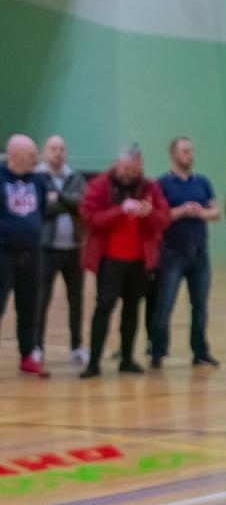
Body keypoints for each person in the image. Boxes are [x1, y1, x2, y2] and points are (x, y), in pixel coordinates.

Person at [79, 145, 170, 379]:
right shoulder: (100, 185)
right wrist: (120, 211)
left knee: (132, 310)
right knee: (104, 308)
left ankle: (127, 358)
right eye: (127, 168)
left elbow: (164, 219)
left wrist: (149, 212)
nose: (130, 173)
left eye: (135, 169)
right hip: (109, 260)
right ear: (118, 165)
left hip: (139, 260)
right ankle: (94, 361)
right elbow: (90, 218)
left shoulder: (150, 187)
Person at [150, 136, 221, 368]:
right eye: (185, 152)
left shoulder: (202, 182)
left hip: (199, 253)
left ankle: (200, 351)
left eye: (191, 151)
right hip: (172, 253)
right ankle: (157, 350)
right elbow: (158, 217)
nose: (190, 155)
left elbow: (215, 212)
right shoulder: (161, 184)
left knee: (200, 305)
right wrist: (181, 211)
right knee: (165, 304)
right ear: (173, 155)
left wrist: (201, 212)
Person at [38, 135, 88, 368]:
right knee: (41, 299)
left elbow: (82, 206)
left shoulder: (74, 177)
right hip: (47, 249)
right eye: (53, 148)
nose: (58, 152)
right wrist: (67, 202)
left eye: (61, 148)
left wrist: (58, 197)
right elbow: (42, 209)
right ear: (44, 152)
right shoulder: (38, 177)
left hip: (74, 249)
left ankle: (77, 347)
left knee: (76, 300)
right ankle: (36, 347)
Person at [1, 134, 49, 377]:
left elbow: (42, 210)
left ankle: (28, 355)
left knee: (30, 306)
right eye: (32, 155)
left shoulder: (38, 180)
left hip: (32, 253)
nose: (36, 159)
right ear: (16, 156)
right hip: (4, 252)